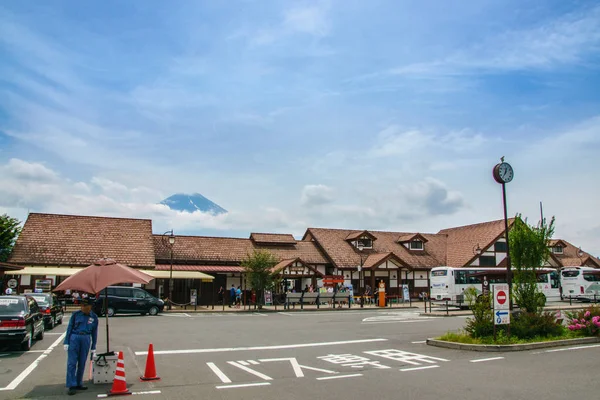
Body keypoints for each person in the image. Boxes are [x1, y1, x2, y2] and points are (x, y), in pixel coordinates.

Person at [63, 297, 98, 396]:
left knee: (82, 362)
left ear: (90, 306)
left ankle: (79, 382)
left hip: (86, 338)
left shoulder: (94, 317)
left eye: (85, 306)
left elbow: (94, 333)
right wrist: (66, 342)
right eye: (82, 305)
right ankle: (71, 384)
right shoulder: (76, 315)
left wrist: (93, 346)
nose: (83, 307)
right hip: (75, 337)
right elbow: (69, 328)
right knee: (72, 362)